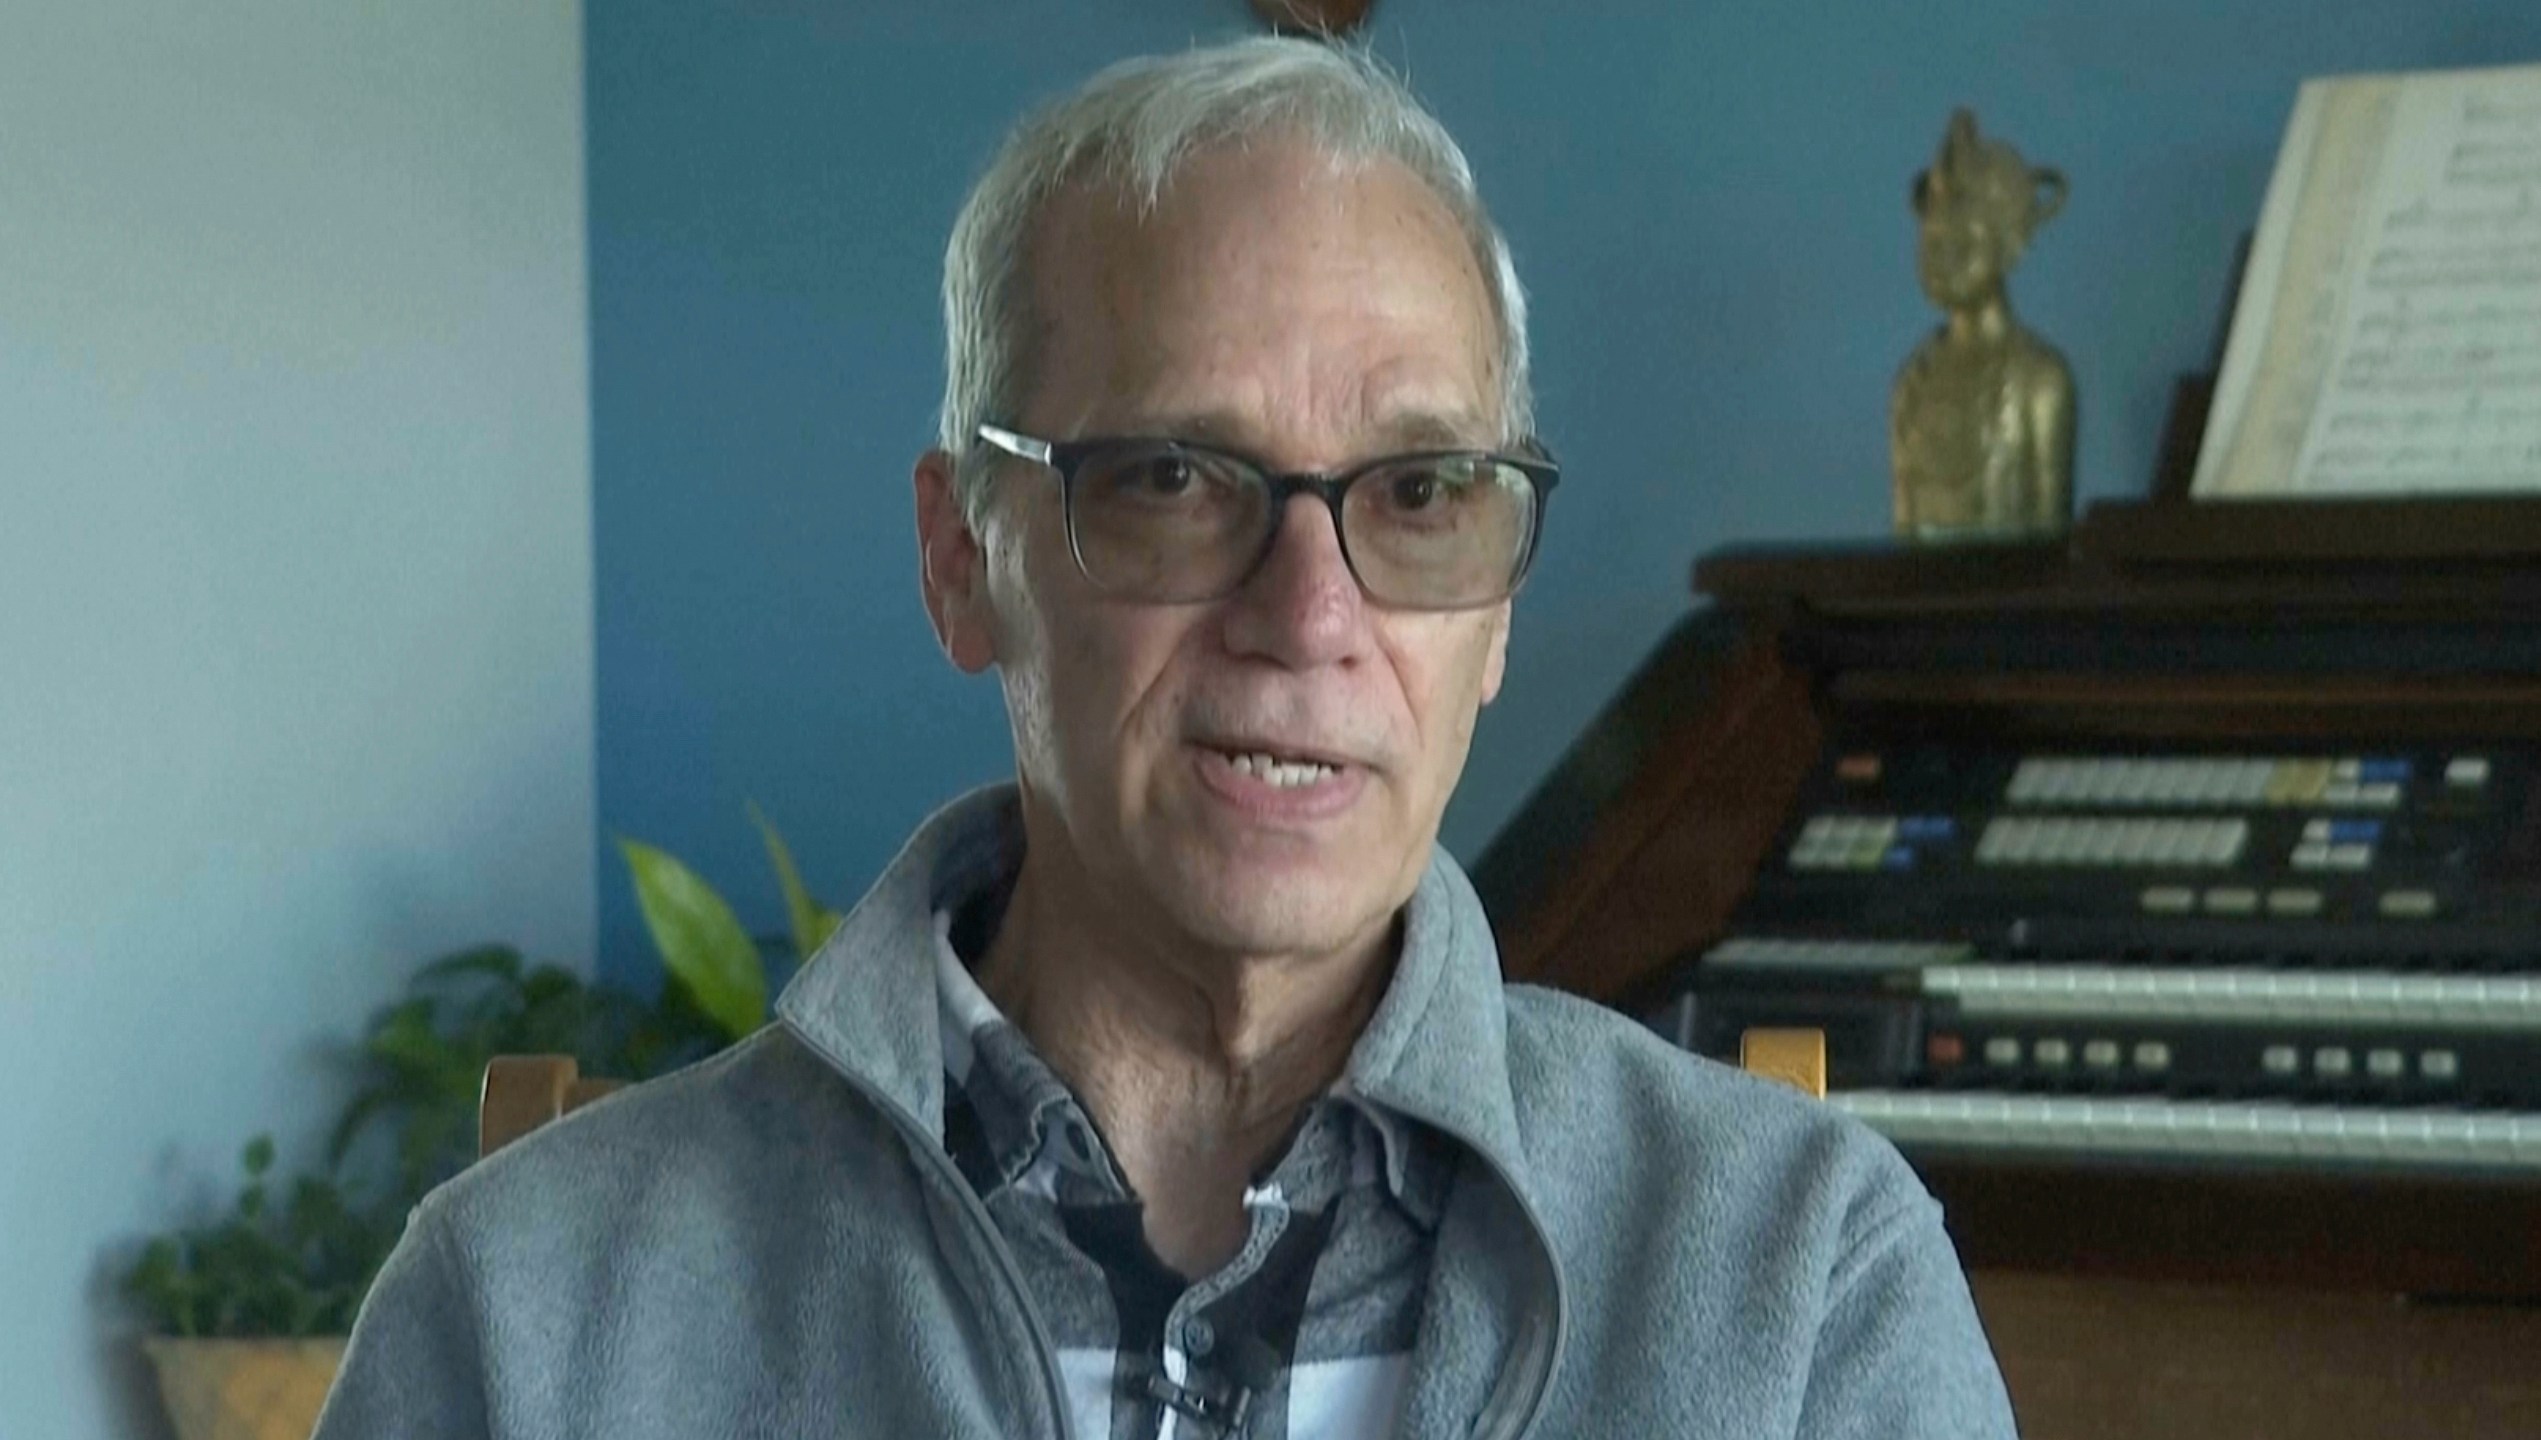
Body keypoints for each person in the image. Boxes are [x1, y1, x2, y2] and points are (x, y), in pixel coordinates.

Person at [315, 36, 2017, 1440]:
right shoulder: (528, 1320)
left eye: (1420, 495)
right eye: (1174, 483)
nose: (1307, 614)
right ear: (958, 554)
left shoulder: (1803, 1288)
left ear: (1496, 611)